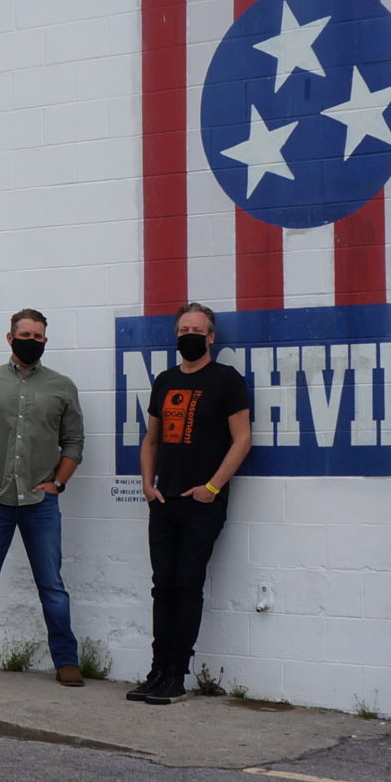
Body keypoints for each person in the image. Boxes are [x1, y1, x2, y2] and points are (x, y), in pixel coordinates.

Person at [0, 309, 88, 687]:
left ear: (45, 340)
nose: (33, 341)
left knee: (52, 586)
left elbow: (74, 441)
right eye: (26, 335)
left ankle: (66, 661)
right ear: (10, 338)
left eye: (40, 337)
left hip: (42, 503)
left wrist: (58, 482)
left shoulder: (61, 387)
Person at [132, 302, 251, 705]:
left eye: (196, 330)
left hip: (202, 504)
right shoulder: (164, 380)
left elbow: (242, 440)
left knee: (187, 586)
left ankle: (177, 675)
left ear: (212, 337)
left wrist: (212, 487)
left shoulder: (226, 379)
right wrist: (148, 486)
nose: (189, 336)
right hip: (163, 502)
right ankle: (156, 671)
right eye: (183, 329)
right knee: (162, 587)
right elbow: (151, 440)